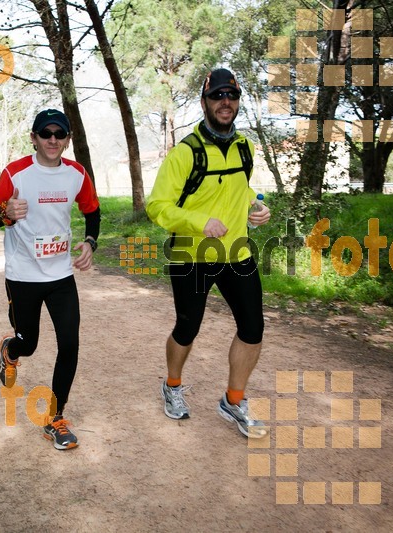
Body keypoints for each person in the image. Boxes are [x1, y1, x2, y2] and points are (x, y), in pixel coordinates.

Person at [146, 68, 271, 438]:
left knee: (253, 328)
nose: (225, 102)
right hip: (191, 253)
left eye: (231, 96)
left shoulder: (245, 146)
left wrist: (257, 207)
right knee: (188, 328)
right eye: (217, 96)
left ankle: (233, 401)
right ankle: (172, 385)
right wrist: (199, 221)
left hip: (236, 252)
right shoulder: (184, 153)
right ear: (204, 102)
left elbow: (241, 189)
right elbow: (157, 206)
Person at [0, 109, 100, 450]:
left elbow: (92, 211)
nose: (52, 139)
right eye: (44, 133)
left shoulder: (76, 174)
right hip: (23, 276)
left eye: (58, 134)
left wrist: (90, 242)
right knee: (28, 344)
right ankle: (10, 349)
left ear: (67, 140)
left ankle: (55, 417)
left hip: (61, 275)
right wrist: (4, 213)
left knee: (70, 344)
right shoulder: (15, 173)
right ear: (33, 138)